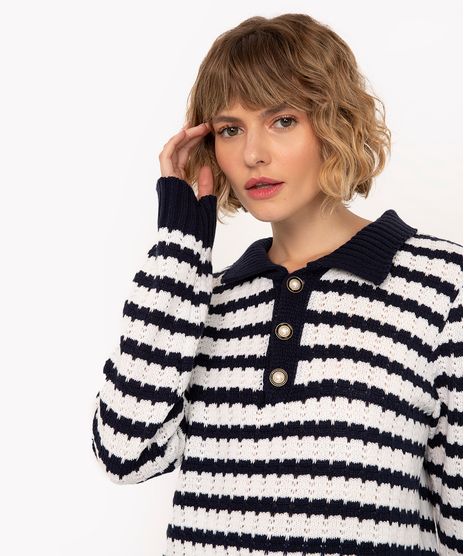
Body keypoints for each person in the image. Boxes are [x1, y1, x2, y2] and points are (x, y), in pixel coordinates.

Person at [91, 13, 463, 555]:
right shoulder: (200, 303)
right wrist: (179, 247)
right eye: (230, 129)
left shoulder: (442, 285)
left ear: (334, 123)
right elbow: (123, 453)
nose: (252, 154)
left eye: (282, 120)